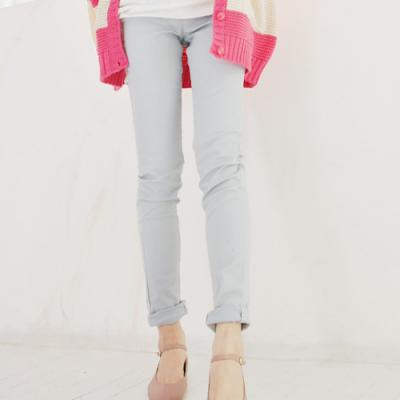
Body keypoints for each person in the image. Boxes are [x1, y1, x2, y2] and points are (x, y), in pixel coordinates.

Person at [87, 1, 277, 398]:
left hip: (218, 11)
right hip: (142, 12)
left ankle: (228, 345)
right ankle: (170, 338)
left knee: (223, 168)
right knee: (157, 177)